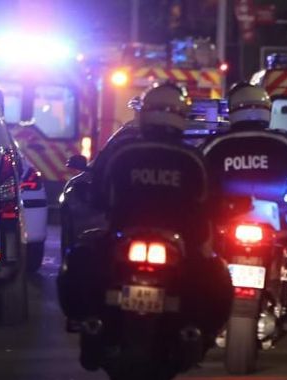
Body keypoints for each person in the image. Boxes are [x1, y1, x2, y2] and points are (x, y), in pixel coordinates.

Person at [58, 82, 233, 362]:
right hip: (177, 246)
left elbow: (99, 192)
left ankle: (87, 321)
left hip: (124, 237)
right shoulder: (192, 158)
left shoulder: (124, 152)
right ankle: (198, 333)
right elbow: (211, 201)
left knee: (80, 259)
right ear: (181, 115)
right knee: (216, 276)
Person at [202, 82, 287, 368]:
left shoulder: (216, 144)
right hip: (266, 223)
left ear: (232, 110)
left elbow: (199, 180)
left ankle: (197, 333)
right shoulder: (282, 141)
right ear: (266, 111)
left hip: (230, 225)